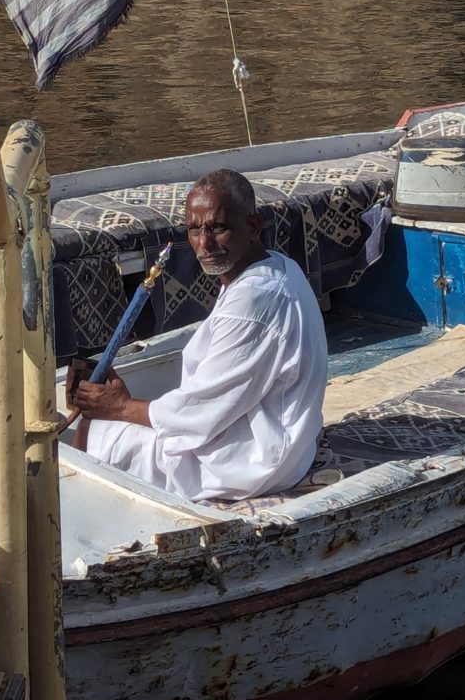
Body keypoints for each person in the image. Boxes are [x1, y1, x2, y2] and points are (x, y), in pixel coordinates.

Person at [72, 169, 328, 501]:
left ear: (252, 227)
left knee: (93, 430)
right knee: (101, 416)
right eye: (194, 230)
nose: (203, 244)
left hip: (250, 462)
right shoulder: (277, 266)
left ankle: (78, 521)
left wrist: (121, 407)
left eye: (217, 228)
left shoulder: (253, 300)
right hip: (279, 443)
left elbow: (201, 412)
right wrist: (124, 403)